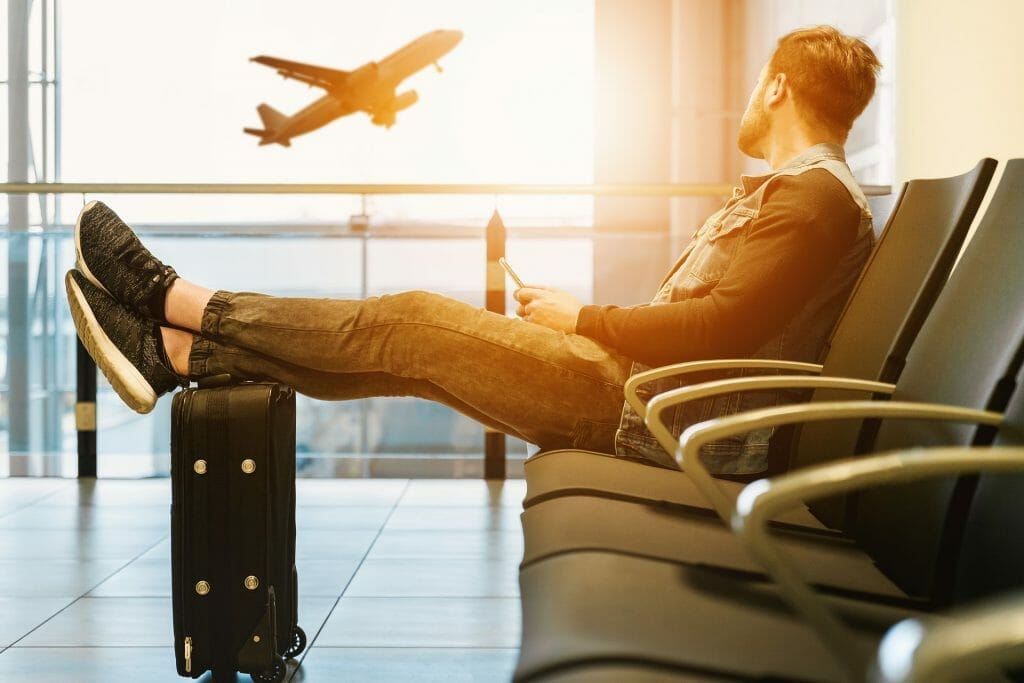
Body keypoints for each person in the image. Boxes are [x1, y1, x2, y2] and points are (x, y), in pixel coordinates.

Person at [66, 25, 881, 476]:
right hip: (645, 400)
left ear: (776, 86)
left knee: (410, 321)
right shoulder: (805, 197)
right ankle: (177, 354)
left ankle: (173, 299)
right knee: (413, 358)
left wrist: (586, 317)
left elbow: (721, 329)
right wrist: (586, 323)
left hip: (647, 414)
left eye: (754, 86)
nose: (746, 101)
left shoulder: (811, 199)